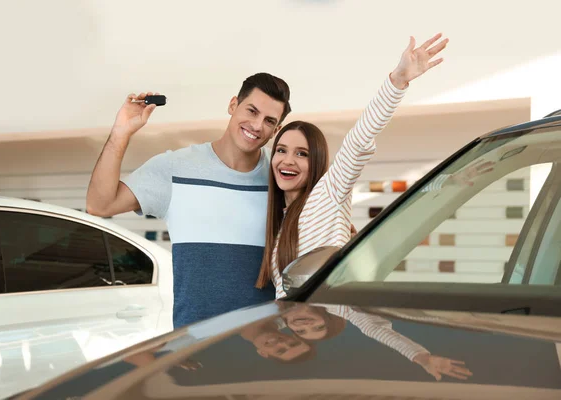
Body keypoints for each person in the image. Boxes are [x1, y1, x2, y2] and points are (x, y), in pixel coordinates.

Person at [86, 73, 292, 328]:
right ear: (232, 105)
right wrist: (121, 132)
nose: (257, 125)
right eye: (252, 111)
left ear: (277, 130)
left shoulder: (282, 177)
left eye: (269, 121)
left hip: (265, 347)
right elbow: (100, 204)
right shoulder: (176, 167)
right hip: (194, 350)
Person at [254, 33, 449, 297]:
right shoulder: (280, 220)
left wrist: (397, 82)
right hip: (295, 332)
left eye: (302, 154)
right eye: (281, 150)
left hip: (328, 328)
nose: (288, 160)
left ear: (318, 162)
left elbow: (357, 142)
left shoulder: (327, 193)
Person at [282, 304, 473, 381]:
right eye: (318, 327)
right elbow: (374, 329)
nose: (307, 325)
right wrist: (421, 357)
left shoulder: (276, 309)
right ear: (329, 319)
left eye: (300, 331)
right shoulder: (341, 307)